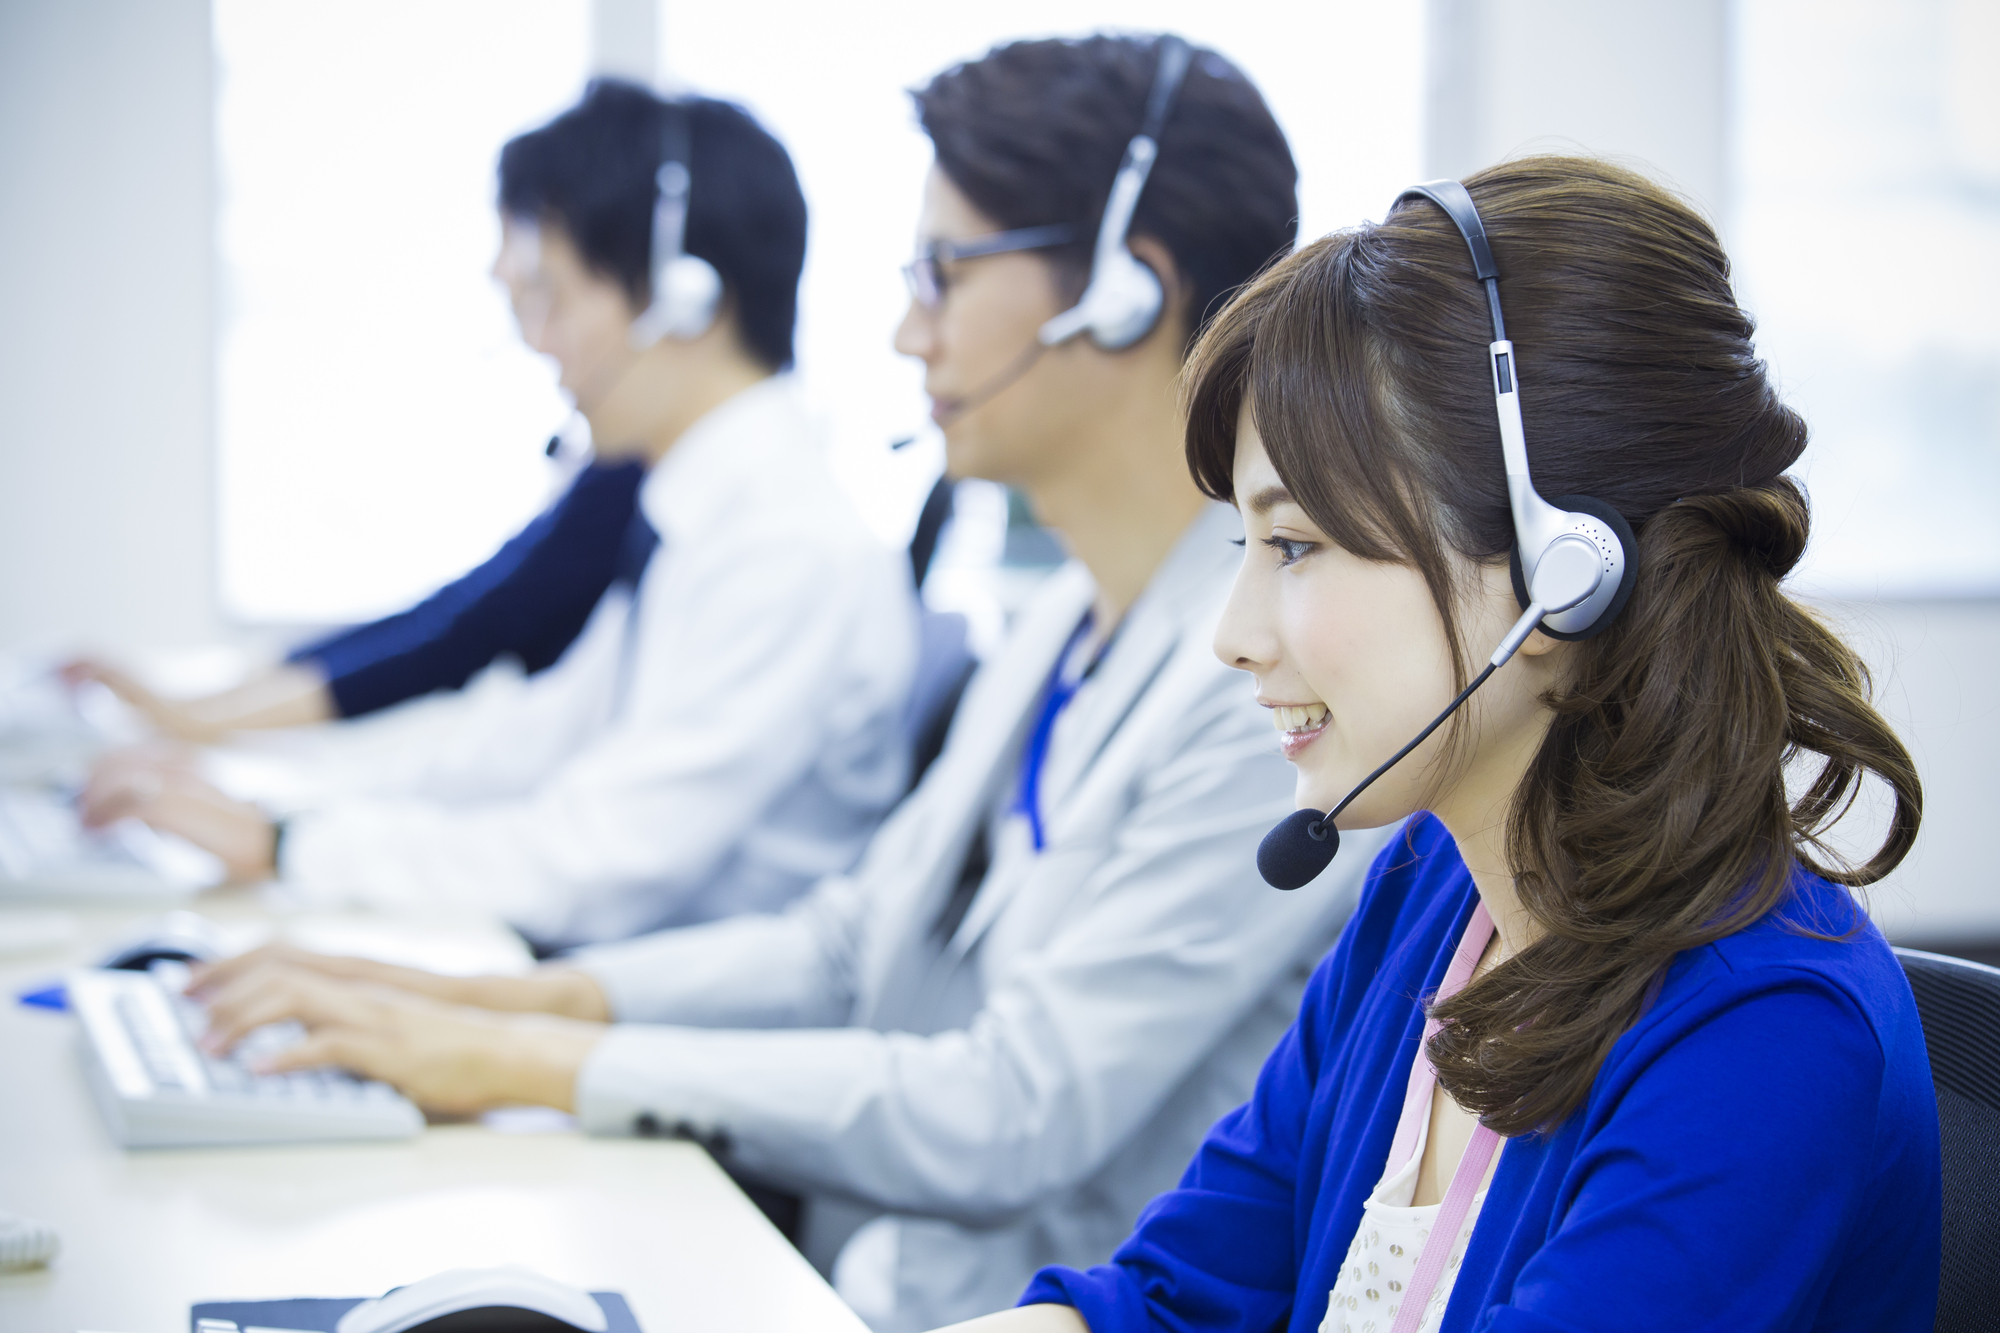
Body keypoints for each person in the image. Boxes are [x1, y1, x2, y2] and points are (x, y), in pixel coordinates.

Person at [184, 34, 1394, 1332]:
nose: (901, 328)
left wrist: (527, 1054)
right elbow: (846, 945)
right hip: (852, 1267)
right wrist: (492, 1001)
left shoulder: (1268, 695)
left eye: (942, 273)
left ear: (1120, 292)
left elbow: (1014, 1106)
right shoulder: (1062, 622)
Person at [934, 156, 1939, 1333]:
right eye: (1241, 549)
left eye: (1295, 546)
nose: (1232, 637)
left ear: (1562, 578)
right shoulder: (1433, 892)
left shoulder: (1761, 1035)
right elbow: (1168, 1298)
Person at [79, 81, 918, 950]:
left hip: (665, 1023)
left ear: (686, 299)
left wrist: (290, 842)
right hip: (596, 974)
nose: (537, 342)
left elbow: (601, 861)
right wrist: (278, 808)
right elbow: (530, 745)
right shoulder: (700, 512)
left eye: (549, 296)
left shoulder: (784, 547)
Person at [64, 453, 645, 742]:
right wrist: (205, 707)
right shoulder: (613, 470)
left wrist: (201, 720)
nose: (540, 341)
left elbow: (458, 638)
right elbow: (451, 609)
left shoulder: (629, 481)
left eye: (550, 297)